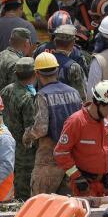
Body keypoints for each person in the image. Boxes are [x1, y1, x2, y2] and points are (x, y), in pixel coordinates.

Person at [25, 53, 83, 196]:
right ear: (57, 71)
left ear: (37, 73)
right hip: (72, 156)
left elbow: (41, 128)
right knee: (67, 202)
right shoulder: (74, 93)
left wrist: (28, 135)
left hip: (49, 156)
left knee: (41, 201)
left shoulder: (42, 95)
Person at [54, 81, 108, 199]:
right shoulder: (76, 122)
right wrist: (77, 177)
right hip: (85, 184)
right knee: (91, 216)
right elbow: (61, 153)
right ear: (98, 102)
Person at [0, 57, 38, 200]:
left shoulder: (6, 90)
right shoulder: (28, 98)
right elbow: (30, 129)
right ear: (34, 74)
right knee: (23, 192)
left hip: (5, 145)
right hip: (24, 152)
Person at [33, 24, 88, 99]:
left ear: (55, 42)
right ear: (72, 43)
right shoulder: (73, 66)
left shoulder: (43, 62)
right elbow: (82, 96)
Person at [0, 27, 33, 97]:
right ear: (26, 44)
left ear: (10, 41)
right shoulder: (19, 64)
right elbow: (18, 93)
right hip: (10, 105)